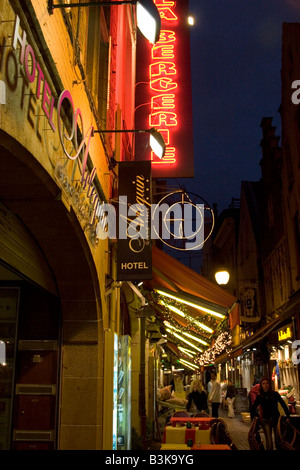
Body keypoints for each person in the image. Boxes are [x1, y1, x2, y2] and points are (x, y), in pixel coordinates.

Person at [250, 376, 290, 450]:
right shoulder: (260, 396)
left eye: (267, 383)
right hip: (266, 420)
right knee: (269, 441)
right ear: (261, 385)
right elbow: (253, 408)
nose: (265, 385)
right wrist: (253, 419)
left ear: (269, 384)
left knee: (278, 441)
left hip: (276, 420)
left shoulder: (275, 394)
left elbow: (283, 404)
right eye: (263, 384)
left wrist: (288, 416)